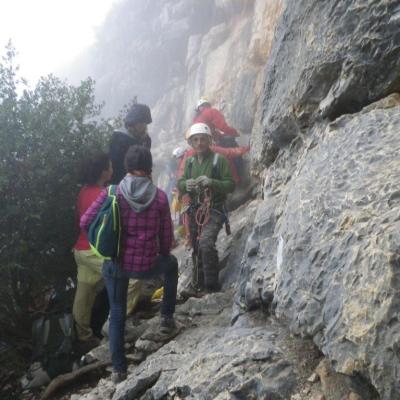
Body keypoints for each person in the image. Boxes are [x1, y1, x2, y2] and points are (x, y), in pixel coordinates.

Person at [80, 145, 178, 384]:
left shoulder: (112, 192)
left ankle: (119, 370)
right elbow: (166, 239)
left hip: (116, 264)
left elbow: (85, 221)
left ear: (126, 167)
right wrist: (161, 254)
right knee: (172, 264)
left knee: (117, 312)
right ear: (149, 167)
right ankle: (166, 316)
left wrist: (101, 245)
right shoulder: (160, 197)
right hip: (147, 265)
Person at [178, 123, 235, 297]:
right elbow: (180, 184)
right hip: (196, 211)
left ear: (209, 140)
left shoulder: (219, 160)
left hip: (215, 209)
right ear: (191, 143)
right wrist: (184, 184)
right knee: (196, 246)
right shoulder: (189, 163)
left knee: (206, 243)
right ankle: (198, 283)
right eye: (195, 140)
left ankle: (211, 285)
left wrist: (212, 182)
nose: (199, 143)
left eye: (203, 139)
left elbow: (231, 185)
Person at [72, 151, 113, 348]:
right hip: (93, 250)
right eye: (110, 166)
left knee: (84, 294)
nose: (112, 169)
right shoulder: (101, 195)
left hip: (80, 250)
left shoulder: (83, 192)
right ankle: (117, 323)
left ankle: (83, 336)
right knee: (128, 279)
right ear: (104, 171)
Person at [109, 103, 152, 184]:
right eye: (140, 123)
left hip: (140, 182)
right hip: (120, 183)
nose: (143, 126)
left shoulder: (146, 140)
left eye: (144, 123)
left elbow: (146, 163)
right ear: (132, 123)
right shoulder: (119, 139)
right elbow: (115, 166)